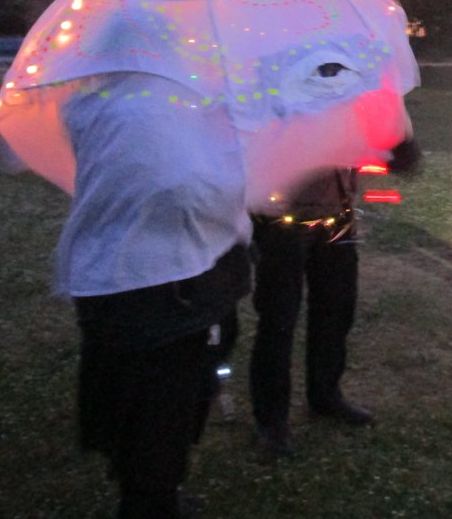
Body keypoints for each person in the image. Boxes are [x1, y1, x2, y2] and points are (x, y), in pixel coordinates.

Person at [58, 73, 253, 518]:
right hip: (165, 288)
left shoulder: (89, 102)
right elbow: (182, 189)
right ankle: (150, 499)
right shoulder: (158, 107)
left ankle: (149, 490)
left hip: (109, 278)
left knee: (130, 399)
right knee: (162, 409)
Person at [249, 136, 420, 457]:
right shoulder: (274, 86)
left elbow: (375, 131)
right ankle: (271, 421)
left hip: (337, 215)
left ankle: (325, 393)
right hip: (282, 219)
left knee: (336, 308)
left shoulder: (349, 87)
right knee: (278, 320)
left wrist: (398, 144)